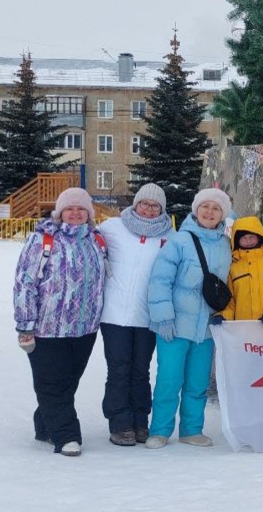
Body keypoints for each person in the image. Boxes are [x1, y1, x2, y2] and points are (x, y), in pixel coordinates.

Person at [13, 187, 107, 457]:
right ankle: (66, 436)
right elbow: (24, 284)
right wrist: (25, 324)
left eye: (81, 209)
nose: (75, 213)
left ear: (88, 213)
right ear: (59, 212)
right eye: (69, 208)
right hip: (47, 328)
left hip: (85, 328)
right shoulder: (42, 240)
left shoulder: (96, 240)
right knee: (52, 384)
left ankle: (45, 425)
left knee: (68, 383)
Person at [145, 188, 233, 449]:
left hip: (205, 328)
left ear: (222, 215)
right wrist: (163, 318)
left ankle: (191, 430)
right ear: (196, 210)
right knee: (169, 380)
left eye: (216, 208)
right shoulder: (179, 240)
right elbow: (160, 280)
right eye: (205, 206)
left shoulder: (226, 245)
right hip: (175, 326)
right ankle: (159, 430)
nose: (209, 212)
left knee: (197, 382)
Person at [98, 183, 175, 447]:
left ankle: (140, 420)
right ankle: (120, 423)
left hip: (148, 315)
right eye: (144, 204)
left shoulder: (171, 236)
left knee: (141, 370)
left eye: (155, 206)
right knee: (119, 368)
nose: (149, 210)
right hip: (114, 314)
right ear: (136, 204)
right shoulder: (112, 227)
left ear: (162, 210)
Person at [209, 215, 263, 327]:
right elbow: (231, 301)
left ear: (259, 236)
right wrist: (223, 316)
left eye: (251, 237)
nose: (248, 241)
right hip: (244, 329)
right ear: (237, 240)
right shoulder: (233, 267)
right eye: (244, 238)